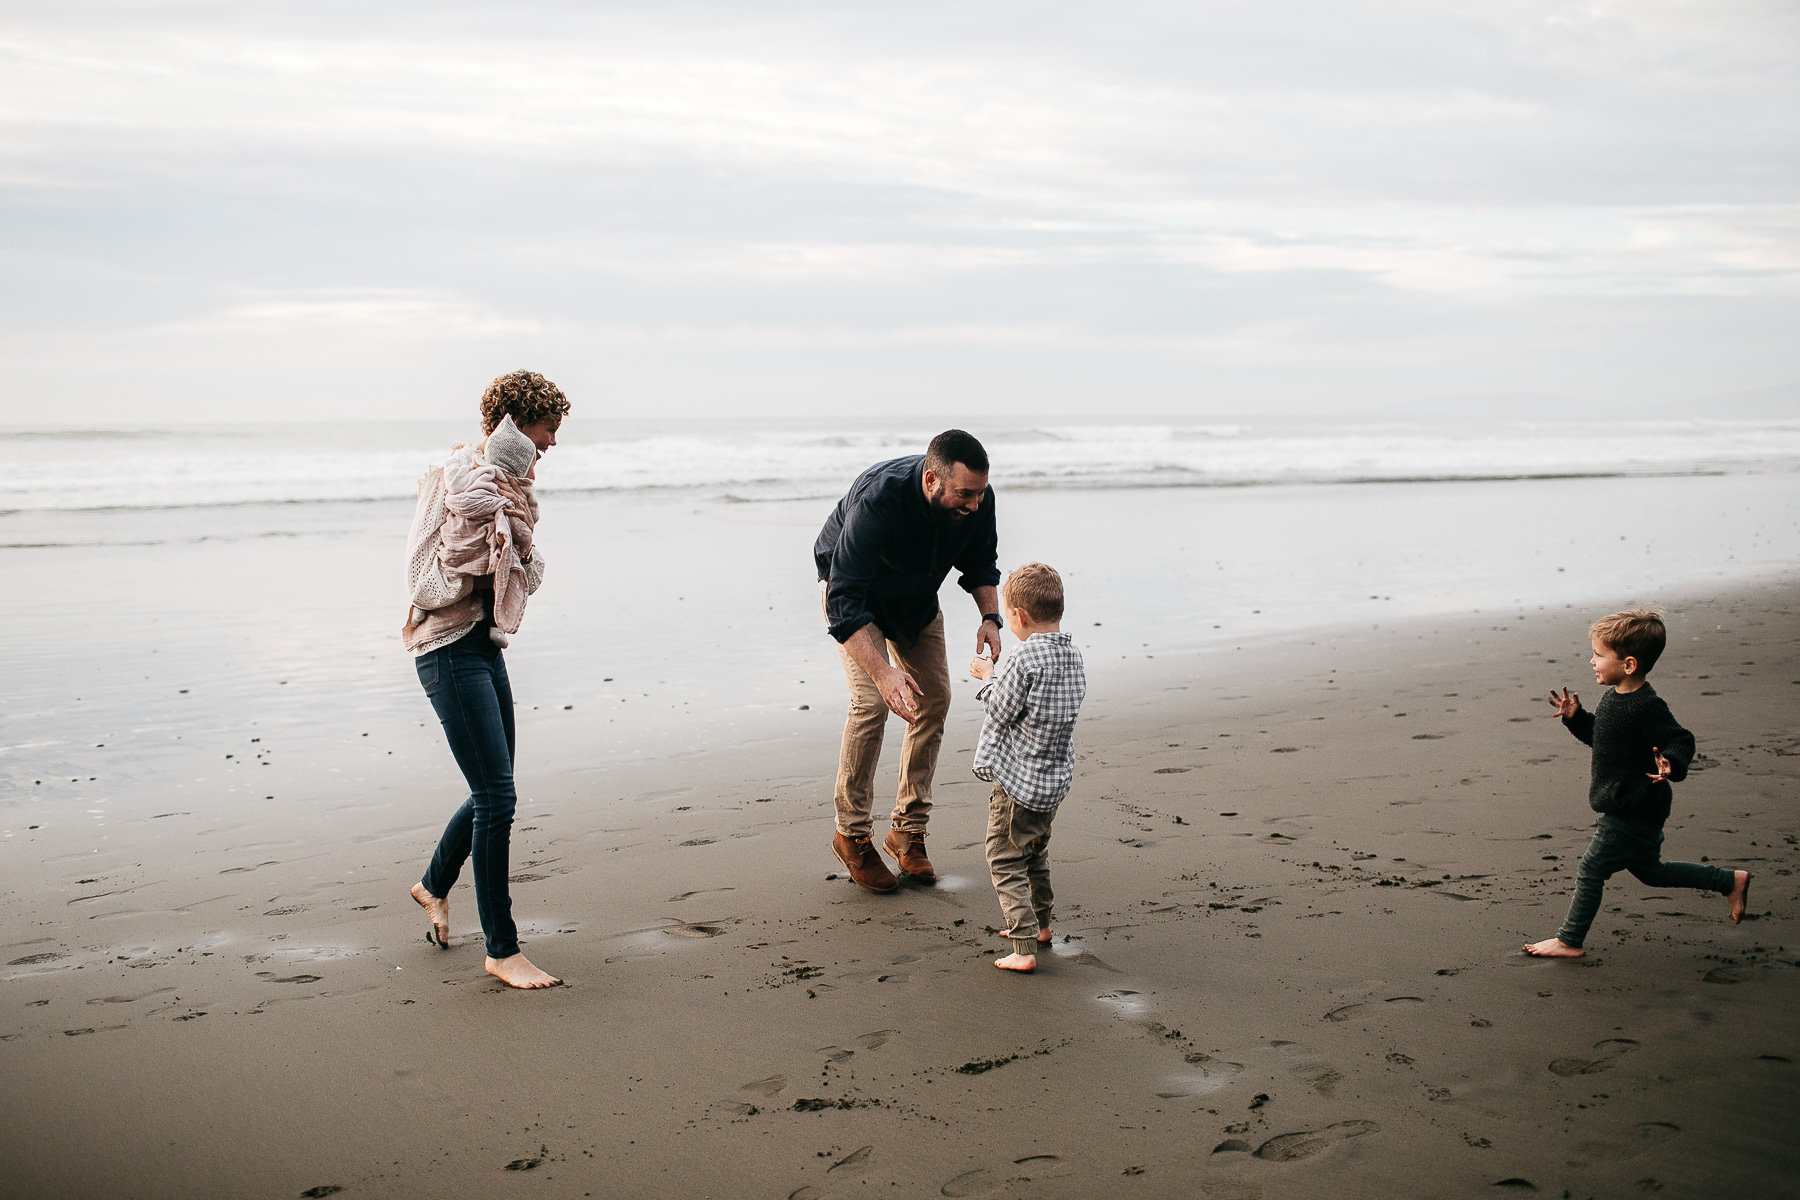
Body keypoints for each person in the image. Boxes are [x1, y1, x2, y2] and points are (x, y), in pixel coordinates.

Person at [402, 370, 569, 989]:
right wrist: (482, 565)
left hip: (483, 646)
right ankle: (502, 949)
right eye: (549, 428)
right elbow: (424, 577)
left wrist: (510, 555)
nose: (552, 443)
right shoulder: (457, 478)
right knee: (498, 797)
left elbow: (521, 563)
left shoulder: (510, 485)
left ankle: (432, 885)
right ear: (521, 422)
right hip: (446, 650)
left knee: (490, 789)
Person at [815, 429, 1002, 891]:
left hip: (915, 599)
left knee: (934, 699)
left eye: (980, 493)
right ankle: (853, 835)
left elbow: (980, 561)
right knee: (873, 704)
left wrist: (991, 618)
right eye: (965, 494)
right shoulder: (880, 501)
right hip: (855, 603)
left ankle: (907, 832)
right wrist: (883, 672)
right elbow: (843, 599)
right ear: (931, 479)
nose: (975, 504)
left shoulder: (977, 497)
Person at [1523, 609, 1751, 959]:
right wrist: (1576, 719)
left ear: (1628, 664)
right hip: (1637, 807)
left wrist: (1671, 764)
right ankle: (1727, 881)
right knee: (1652, 872)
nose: (1592, 661)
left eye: (1599, 655)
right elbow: (1606, 739)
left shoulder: (1645, 705)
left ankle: (1569, 940)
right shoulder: (1617, 697)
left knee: (1591, 869)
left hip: (1631, 808)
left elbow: (1681, 738)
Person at [969, 563, 1086, 973]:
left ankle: (1022, 946)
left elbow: (1001, 709)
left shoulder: (1025, 656)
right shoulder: (1072, 655)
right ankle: (1042, 925)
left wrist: (987, 676)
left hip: (1019, 783)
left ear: (1017, 616)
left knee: (1003, 856)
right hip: (1053, 779)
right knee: (1035, 850)